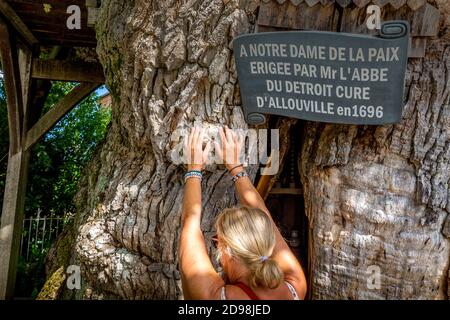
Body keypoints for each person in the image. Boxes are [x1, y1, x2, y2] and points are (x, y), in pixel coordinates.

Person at [179, 126, 307, 300]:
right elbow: (263, 214)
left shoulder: (216, 296)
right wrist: (235, 166)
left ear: (227, 249)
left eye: (217, 241)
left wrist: (194, 168)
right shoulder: (295, 286)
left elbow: (190, 223)